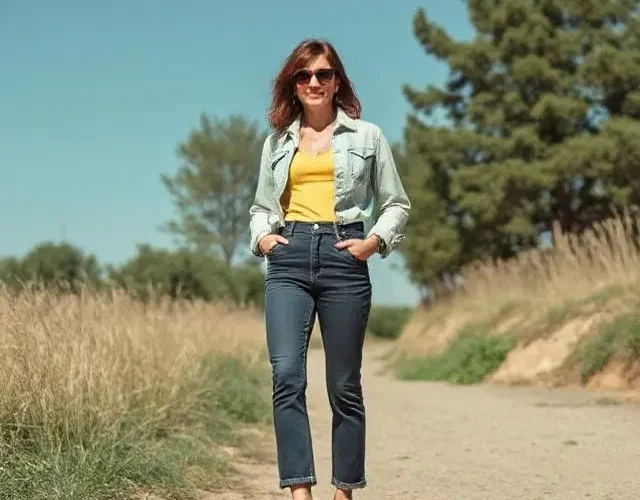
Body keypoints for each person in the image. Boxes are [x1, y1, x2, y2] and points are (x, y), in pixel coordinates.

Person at [248, 38, 411, 500]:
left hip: (345, 257)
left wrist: (373, 243)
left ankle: (344, 492)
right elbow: (262, 206)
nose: (314, 82)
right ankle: (299, 490)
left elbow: (396, 202)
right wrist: (263, 238)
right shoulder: (277, 143)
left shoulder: (368, 136)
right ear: (293, 84)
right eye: (304, 75)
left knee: (343, 383)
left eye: (323, 74)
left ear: (337, 80)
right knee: (286, 375)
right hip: (290, 257)